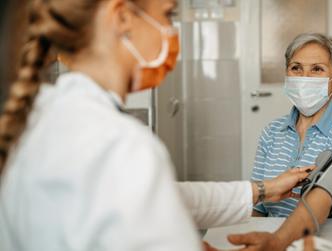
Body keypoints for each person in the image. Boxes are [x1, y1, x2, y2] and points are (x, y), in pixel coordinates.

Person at [0, 0, 312, 250]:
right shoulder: (121, 145)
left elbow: (157, 196)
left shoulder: (41, 118)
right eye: (167, 14)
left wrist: (263, 190)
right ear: (122, 16)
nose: (170, 31)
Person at [230, 33, 332, 250]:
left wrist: (278, 241)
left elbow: (326, 193)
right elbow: (259, 208)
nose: (304, 77)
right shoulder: (271, 132)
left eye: (317, 69)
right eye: (296, 68)